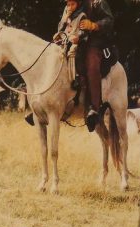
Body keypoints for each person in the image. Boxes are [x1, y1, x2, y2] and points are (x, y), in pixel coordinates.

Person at [56, 0, 117, 132]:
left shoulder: (98, 2)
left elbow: (109, 21)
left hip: (94, 42)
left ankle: (94, 108)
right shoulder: (73, 4)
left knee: (92, 65)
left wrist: (94, 25)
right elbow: (63, 25)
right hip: (72, 40)